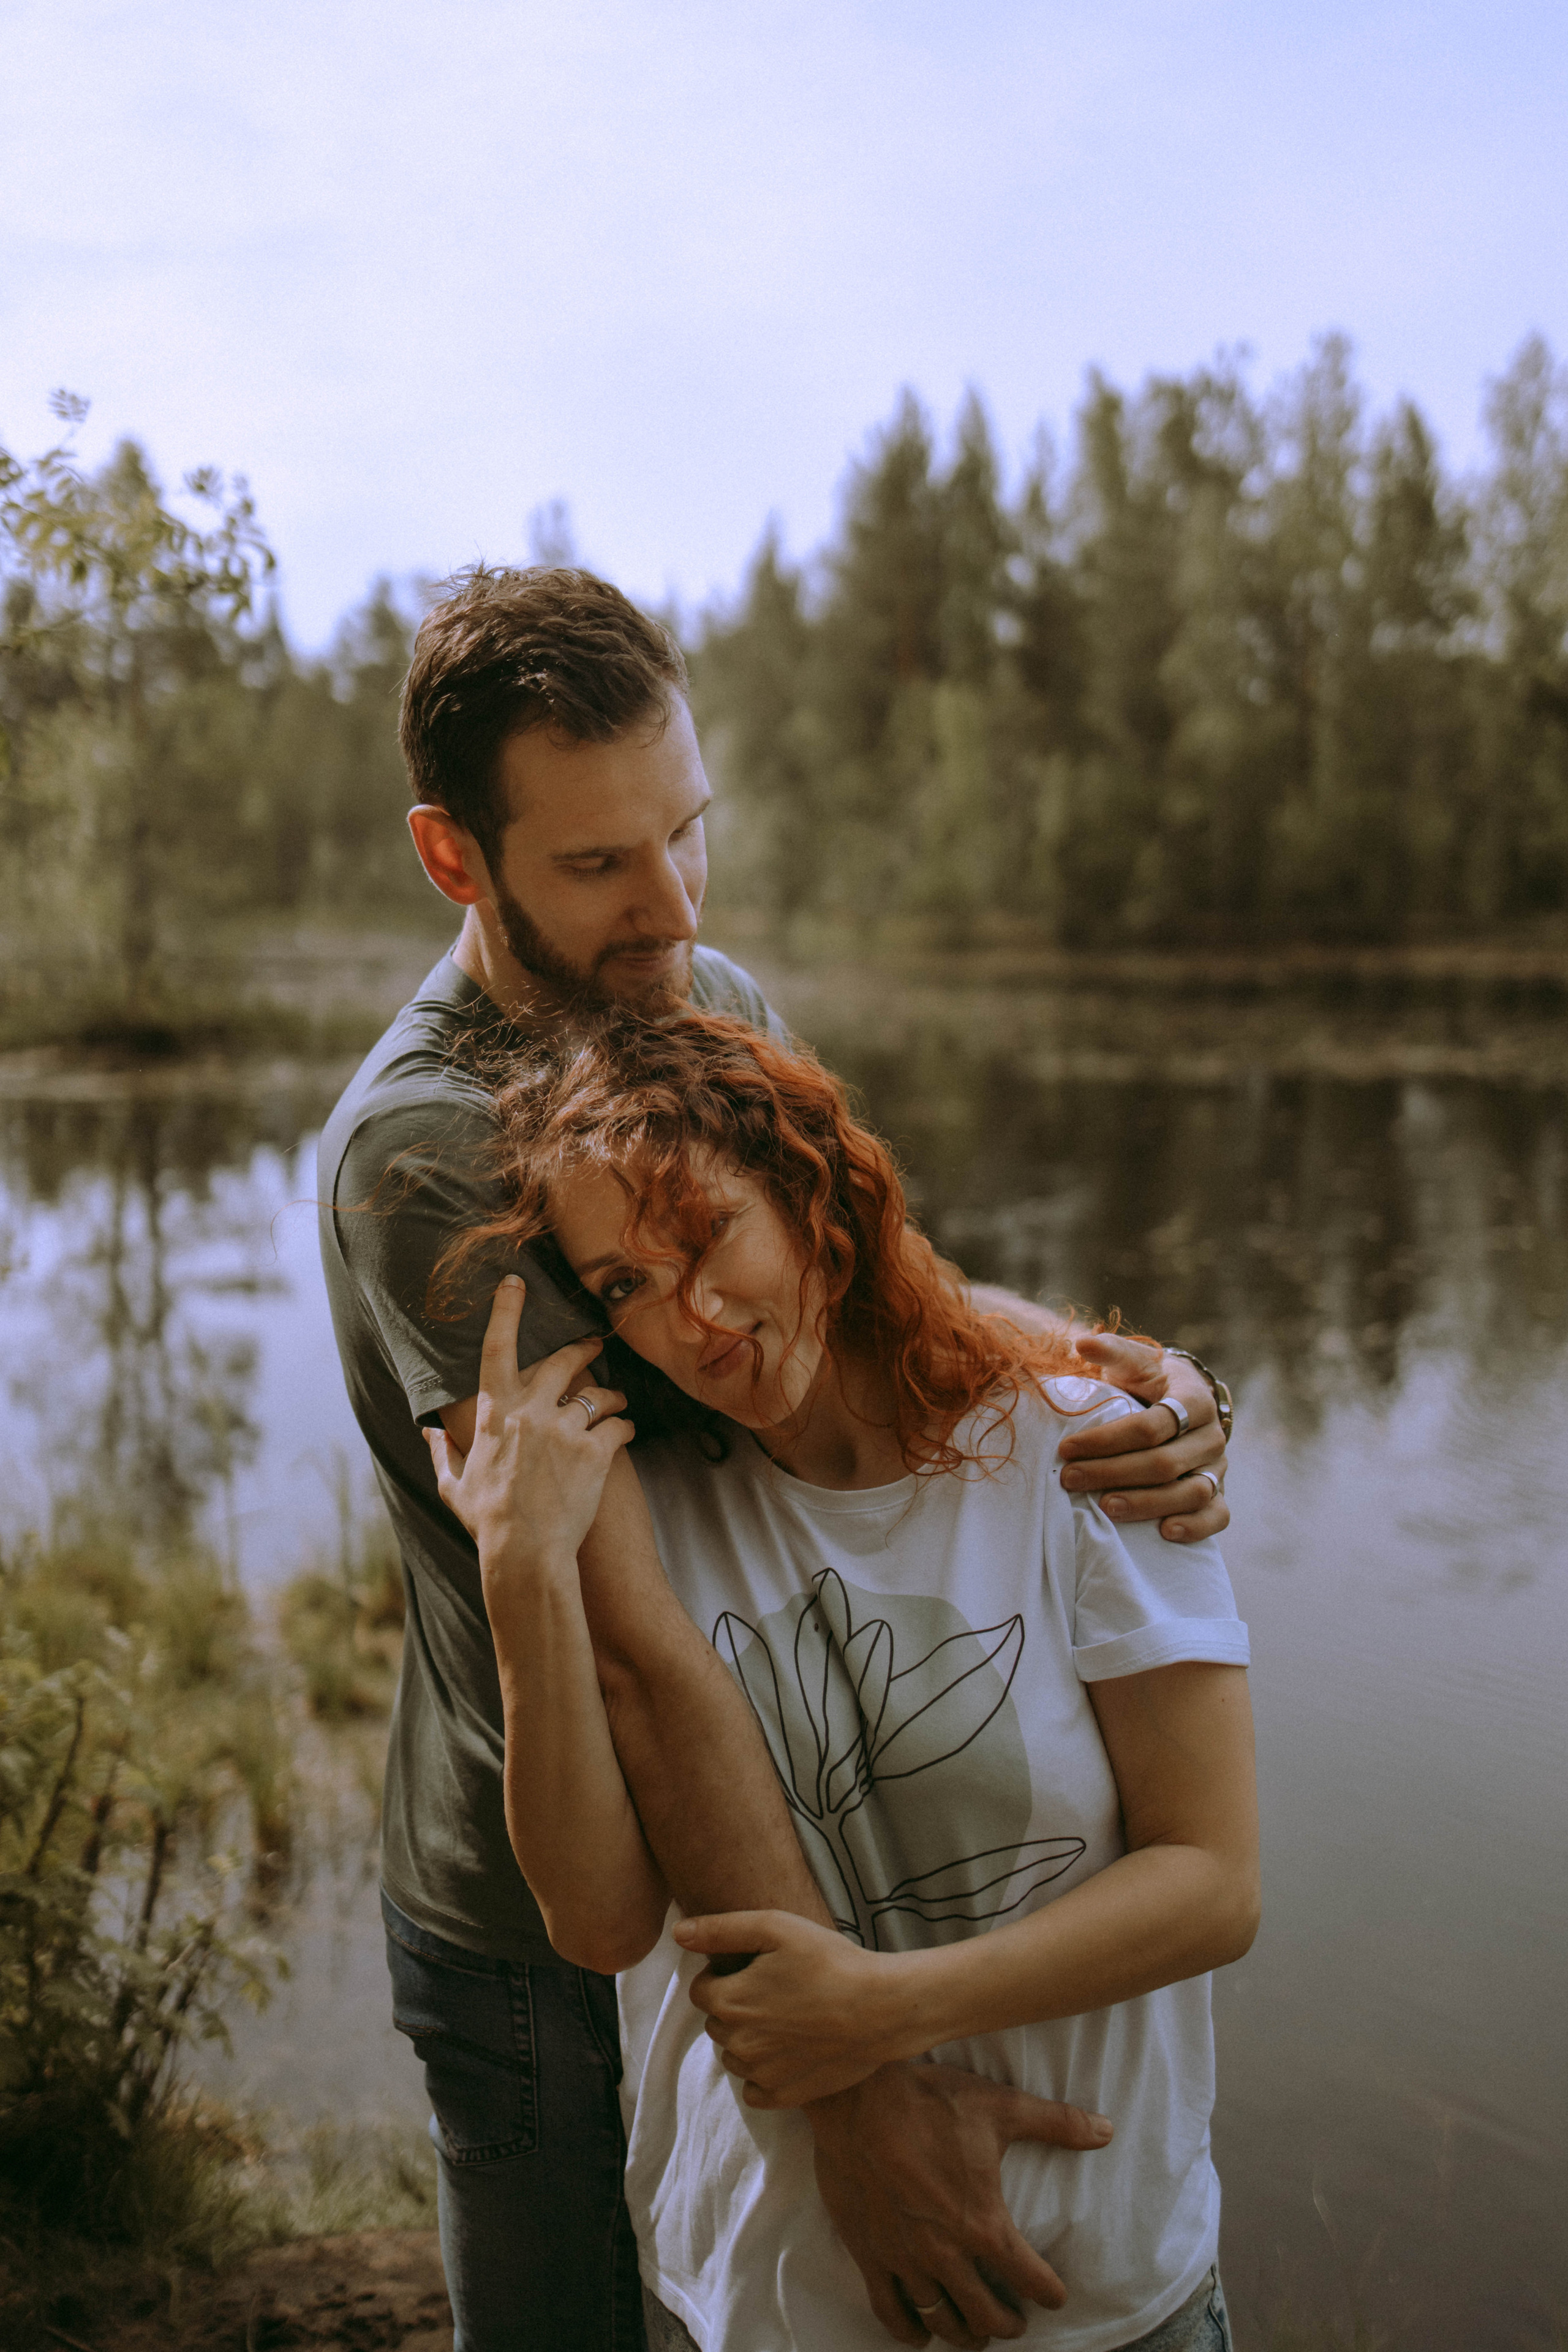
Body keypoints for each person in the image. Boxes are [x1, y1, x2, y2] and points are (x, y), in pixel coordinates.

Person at [317, 565, 1233, 2351]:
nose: (672, 909)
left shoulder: (687, 982)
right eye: (600, 862)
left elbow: (872, 1280)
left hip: (786, 1823)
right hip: (544, 1915)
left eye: (688, 831)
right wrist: (857, 2090)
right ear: (453, 858)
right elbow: (633, 1649)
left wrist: (1125, 1372)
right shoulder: (423, 1145)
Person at [426, 1010, 1259, 2352]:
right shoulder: (635, 1510)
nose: (692, 1318)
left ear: (811, 1194)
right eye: (625, 1285)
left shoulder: (1086, 1456)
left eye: (706, 1236)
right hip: (773, 2295)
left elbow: (1213, 1884)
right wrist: (520, 1572)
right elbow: (598, 1922)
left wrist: (879, 2012)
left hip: (1102, 2291)